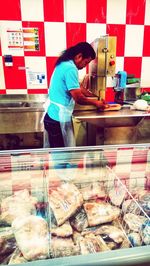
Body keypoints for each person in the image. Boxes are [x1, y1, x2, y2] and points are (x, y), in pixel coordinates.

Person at [44, 42, 108, 148]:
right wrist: (96, 103)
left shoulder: (64, 63)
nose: (85, 66)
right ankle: (61, 165)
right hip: (57, 118)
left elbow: (76, 86)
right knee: (61, 155)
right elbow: (78, 98)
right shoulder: (70, 68)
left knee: (59, 152)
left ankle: (62, 164)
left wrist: (91, 95)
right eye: (86, 63)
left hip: (52, 115)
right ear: (79, 56)